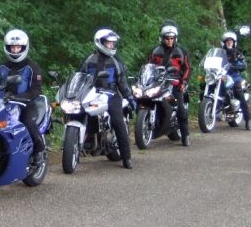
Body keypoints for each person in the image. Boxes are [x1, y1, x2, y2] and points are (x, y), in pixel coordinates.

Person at [81, 28, 135, 168]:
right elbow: (80, 77)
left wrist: (130, 97)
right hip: (91, 94)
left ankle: (126, 157)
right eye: (108, 43)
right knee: (79, 113)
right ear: (100, 42)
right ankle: (83, 142)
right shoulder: (88, 60)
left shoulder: (116, 61)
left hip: (111, 94)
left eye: (113, 43)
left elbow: (122, 81)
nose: (111, 45)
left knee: (118, 121)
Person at [0, 28, 45, 159]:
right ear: (7, 48)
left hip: (26, 105)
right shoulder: (1, 67)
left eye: (18, 47)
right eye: (12, 48)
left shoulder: (32, 67)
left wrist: (18, 97)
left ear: (24, 47)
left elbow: (36, 90)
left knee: (27, 122)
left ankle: (39, 149)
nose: (15, 50)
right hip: (4, 104)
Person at [148, 23, 191, 145]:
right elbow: (149, 66)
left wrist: (184, 82)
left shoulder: (181, 52)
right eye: (167, 38)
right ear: (162, 38)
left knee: (180, 109)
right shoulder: (155, 51)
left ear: (175, 38)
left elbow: (188, 68)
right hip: (157, 82)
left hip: (175, 83)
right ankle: (143, 129)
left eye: (172, 38)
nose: (169, 41)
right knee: (144, 99)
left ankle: (185, 136)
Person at [221, 30, 251, 130]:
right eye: (227, 41)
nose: (229, 43)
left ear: (234, 42)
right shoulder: (220, 52)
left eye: (231, 41)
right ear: (224, 42)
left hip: (234, 76)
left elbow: (243, 64)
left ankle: (247, 120)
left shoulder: (237, 53)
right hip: (222, 76)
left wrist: (238, 65)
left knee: (239, 92)